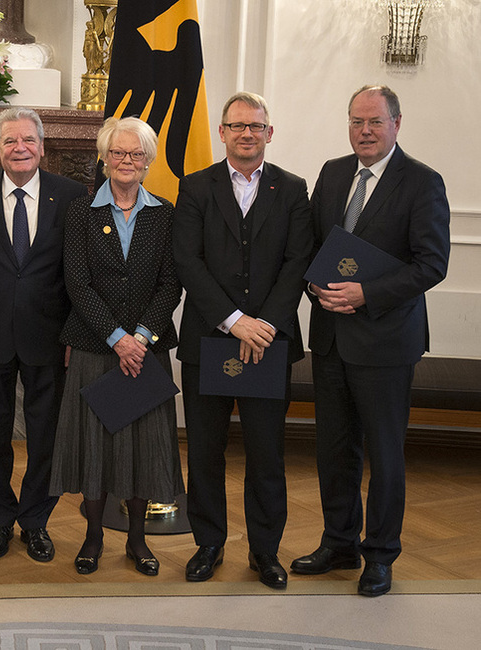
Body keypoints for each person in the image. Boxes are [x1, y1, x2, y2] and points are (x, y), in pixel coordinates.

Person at [292, 85, 450, 597]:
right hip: (332, 338)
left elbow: (432, 264)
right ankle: (339, 541)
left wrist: (366, 294)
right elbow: (313, 243)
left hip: (386, 343)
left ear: (396, 124)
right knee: (334, 450)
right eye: (357, 121)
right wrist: (314, 285)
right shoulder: (334, 172)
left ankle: (380, 555)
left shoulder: (423, 182)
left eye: (375, 122)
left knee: (383, 453)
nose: (365, 130)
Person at [172, 92, 313, 590]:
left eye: (256, 126)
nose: (246, 134)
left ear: (269, 133)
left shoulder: (293, 189)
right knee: (206, 451)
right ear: (223, 133)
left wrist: (265, 325)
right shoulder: (194, 187)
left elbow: (299, 262)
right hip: (210, 339)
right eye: (237, 126)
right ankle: (208, 544)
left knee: (266, 453)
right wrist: (235, 322)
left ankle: (264, 551)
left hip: (269, 341)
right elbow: (187, 261)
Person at [49, 116, 183, 576]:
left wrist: (140, 338)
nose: (127, 161)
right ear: (104, 159)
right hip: (94, 347)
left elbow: (172, 284)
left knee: (143, 447)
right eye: (118, 153)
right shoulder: (80, 213)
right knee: (95, 448)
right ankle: (91, 538)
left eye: (136, 154)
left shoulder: (165, 214)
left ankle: (138, 542)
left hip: (146, 351)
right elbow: (77, 283)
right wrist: (116, 338)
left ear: (147, 161)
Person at [0, 108, 87, 562]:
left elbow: (78, 271)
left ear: (42, 146)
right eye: (10, 141)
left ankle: (35, 522)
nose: (20, 148)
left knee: (44, 435)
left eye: (28, 140)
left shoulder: (71, 195)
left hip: (49, 336)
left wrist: (75, 332)